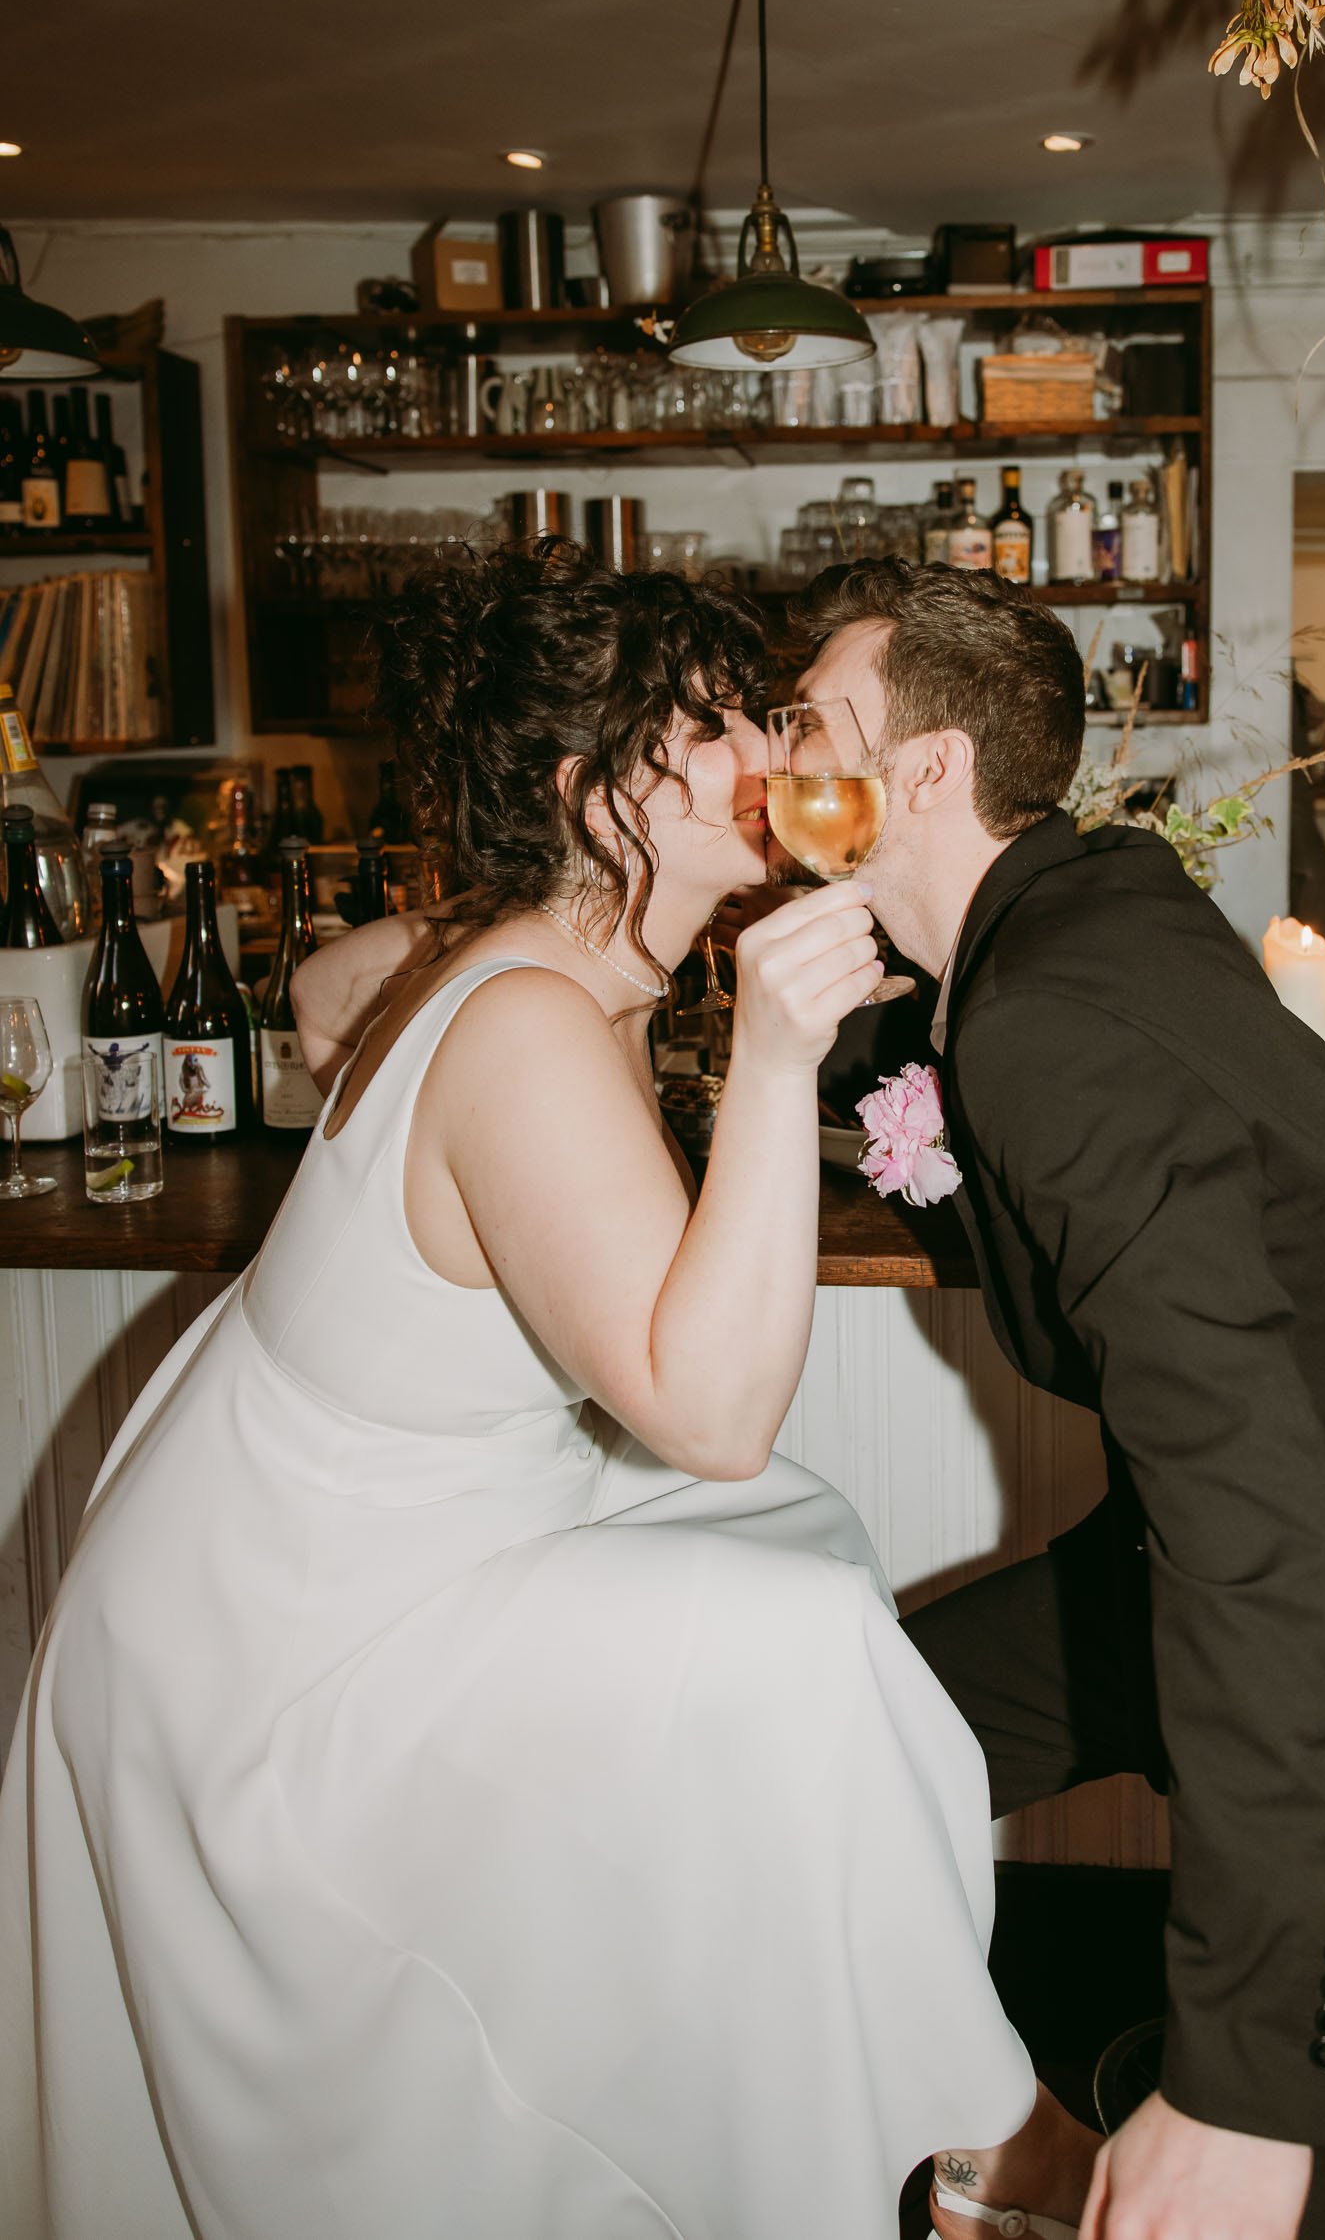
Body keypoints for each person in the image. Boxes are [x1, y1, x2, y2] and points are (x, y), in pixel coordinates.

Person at [0, 543, 1100, 2240]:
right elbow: (710, 1415)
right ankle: (975, 2128)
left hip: (312, 1550)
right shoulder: (525, 1014)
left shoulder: (514, 953)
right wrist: (773, 1056)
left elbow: (316, 991)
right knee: (782, 1643)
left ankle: (824, 2080)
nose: (768, 757)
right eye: (715, 729)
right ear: (599, 798)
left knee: (795, 1550)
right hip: (284, 1655)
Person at [797, 557, 1325, 2240]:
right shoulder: (1083, 901)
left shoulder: (1054, 1009)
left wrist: (1251, 2075)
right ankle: (1017, 2152)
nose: (773, 756)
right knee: (806, 1761)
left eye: (806, 724)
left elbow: (1252, 1522)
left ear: (918, 773)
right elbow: (931, 1062)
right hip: (1181, 1599)